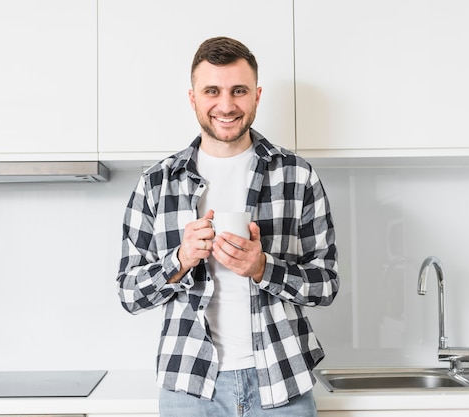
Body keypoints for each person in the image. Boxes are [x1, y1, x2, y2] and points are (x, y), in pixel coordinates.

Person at [117, 36, 339, 416]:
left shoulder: (297, 176)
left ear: (256, 95)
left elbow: (326, 285)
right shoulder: (157, 182)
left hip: (281, 377)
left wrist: (262, 268)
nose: (226, 104)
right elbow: (129, 294)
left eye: (239, 90)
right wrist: (180, 260)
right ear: (193, 98)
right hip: (189, 385)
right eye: (212, 91)